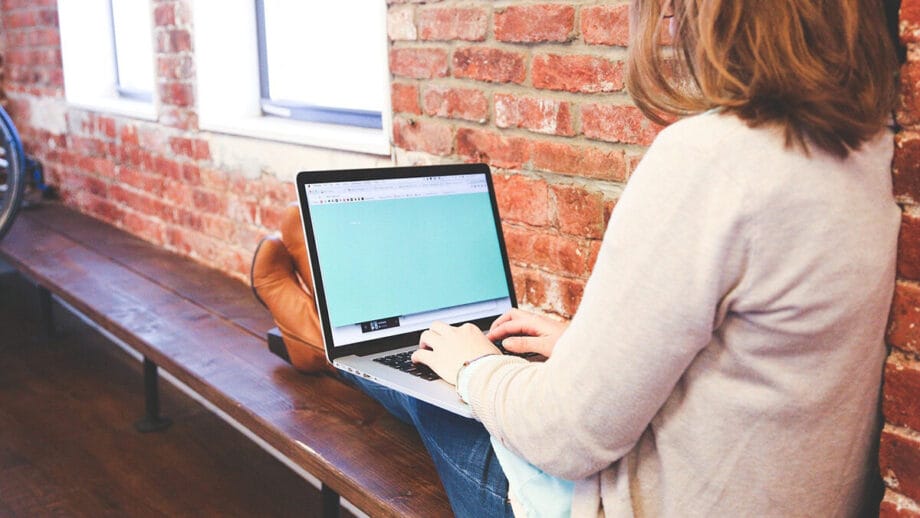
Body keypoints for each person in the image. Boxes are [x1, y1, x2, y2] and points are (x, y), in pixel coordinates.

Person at [253, 0, 900, 515]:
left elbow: (566, 438)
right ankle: (331, 340)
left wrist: (476, 367)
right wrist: (586, 345)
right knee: (448, 357)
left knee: (432, 381)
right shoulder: (868, 155)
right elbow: (748, 365)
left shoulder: (714, 160)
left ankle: (319, 339)